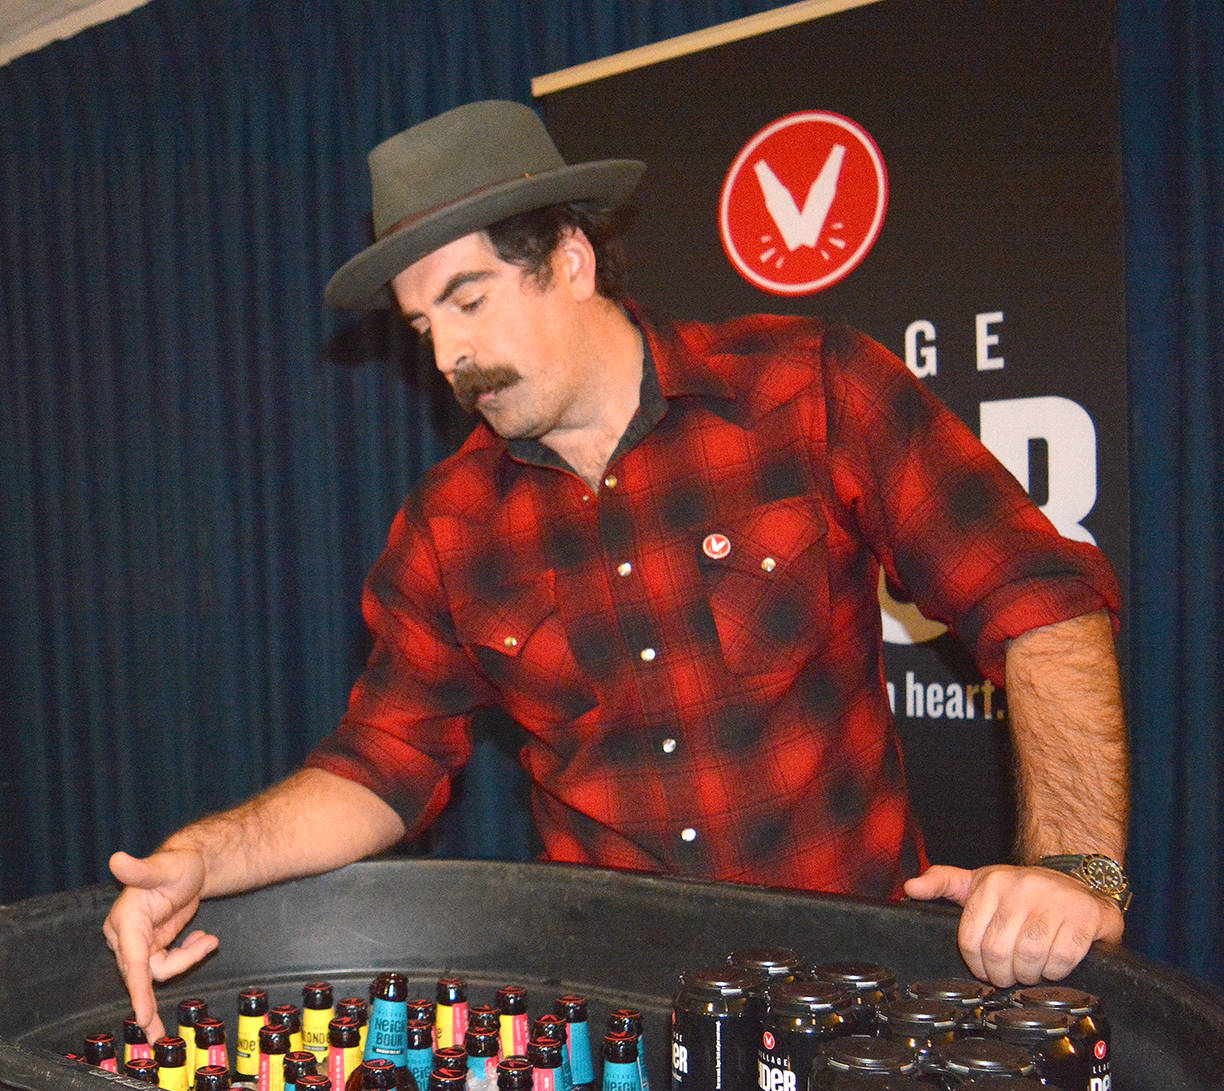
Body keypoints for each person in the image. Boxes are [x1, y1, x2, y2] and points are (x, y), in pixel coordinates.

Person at [105, 101, 1129, 1041]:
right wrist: (202, 858)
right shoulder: (447, 526)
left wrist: (1075, 870)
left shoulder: (806, 389)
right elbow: (378, 769)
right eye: (423, 330)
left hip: (854, 1006)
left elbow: (1038, 603)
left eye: (468, 300)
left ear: (569, 258)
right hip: (620, 1030)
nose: (450, 357)